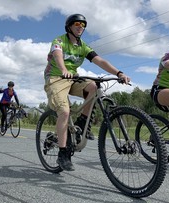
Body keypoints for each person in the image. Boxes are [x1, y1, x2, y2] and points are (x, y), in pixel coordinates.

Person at [44, 14, 130, 171]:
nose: (80, 27)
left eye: (83, 25)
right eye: (77, 24)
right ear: (69, 26)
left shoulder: (83, 46)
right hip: (56, 77)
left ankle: (82, 124)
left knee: (94, 87)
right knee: (64, 111)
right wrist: (63, 69)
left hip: (73, 78)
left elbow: (100, 61)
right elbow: (57, 56)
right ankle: (63, 154)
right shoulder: (59, 41)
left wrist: (119, 73)